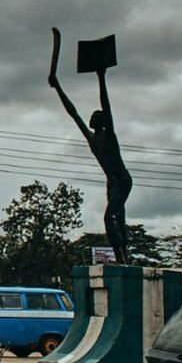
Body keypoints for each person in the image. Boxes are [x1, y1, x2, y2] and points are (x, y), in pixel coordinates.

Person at [48, 28, 133, 264]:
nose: (91, 118)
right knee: (119, 218)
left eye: (96, 116)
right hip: (111, 181)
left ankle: (121, 256)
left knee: (110, 217)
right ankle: (124, 254)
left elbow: (104, 102)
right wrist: (58, 88)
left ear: (102, 121)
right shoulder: (92, 138)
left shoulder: (110, 135)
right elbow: (72, 112)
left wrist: (101, 77)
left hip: (122, 179)